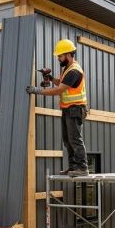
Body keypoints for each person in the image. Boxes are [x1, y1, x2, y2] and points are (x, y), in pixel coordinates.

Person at [26, 38, 89, 176]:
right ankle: (74, 167)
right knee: (68, 140)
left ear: (68, 55)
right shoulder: (67, 69)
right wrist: (50, 77)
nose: (58, 59)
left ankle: (82, 168)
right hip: (68, 109)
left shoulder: (74, 71)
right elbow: (61, 83)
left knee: (75, 139)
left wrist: (37, 90)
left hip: (75, 109)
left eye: (60, 56)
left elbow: (59, 90)